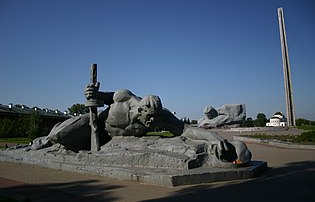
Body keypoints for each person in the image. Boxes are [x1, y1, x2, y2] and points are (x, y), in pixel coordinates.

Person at [31, 83, 251, 164]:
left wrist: (214, 136)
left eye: (155, 119)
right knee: (61, 136)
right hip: (93, 127)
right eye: (149, 117)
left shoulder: (161, 115)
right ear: (140, 107)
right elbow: (99, 97)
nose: (152, 122)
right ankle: (46, 140)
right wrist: (91, 93)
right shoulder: (123, 97)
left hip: (109, 142)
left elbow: (185, 129)